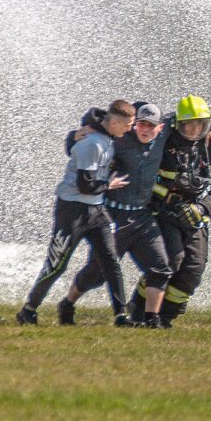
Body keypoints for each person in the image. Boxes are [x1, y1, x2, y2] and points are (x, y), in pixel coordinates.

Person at [16, 100, 136, 326]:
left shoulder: (108, 136)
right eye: (127, 125)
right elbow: (86, 185)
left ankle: (121, 315)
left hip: (97, 210)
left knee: (111, 260)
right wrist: (110, 184)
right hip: (72, 210)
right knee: (58, 264)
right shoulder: (92, 144)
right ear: (115, 123)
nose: (129, 129)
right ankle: (29, 310)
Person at [60, 103, 174, 328]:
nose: (144, 129)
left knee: (160, 267)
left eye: (150, 126)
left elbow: (188, 114)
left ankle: (152, 319)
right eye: (140, 124)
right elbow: (96, 119)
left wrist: (209, 130)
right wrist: (76, 134)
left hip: (142, 217)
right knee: (98, 272)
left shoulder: (164, 134)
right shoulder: (120, 139)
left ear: (159, 128)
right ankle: (67, 303)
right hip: (114, 214)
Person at [134, 95, 211, 327]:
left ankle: (166, 317)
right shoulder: (163, 139)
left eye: (201, 125)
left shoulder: (209, 146)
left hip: (194, 214)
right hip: (164, 211)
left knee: (194, 268)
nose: (195, 130)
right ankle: (139, 312)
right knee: (171, 261)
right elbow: (143, 114)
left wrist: (202, 207)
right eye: (189, 125)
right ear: (178, 124)